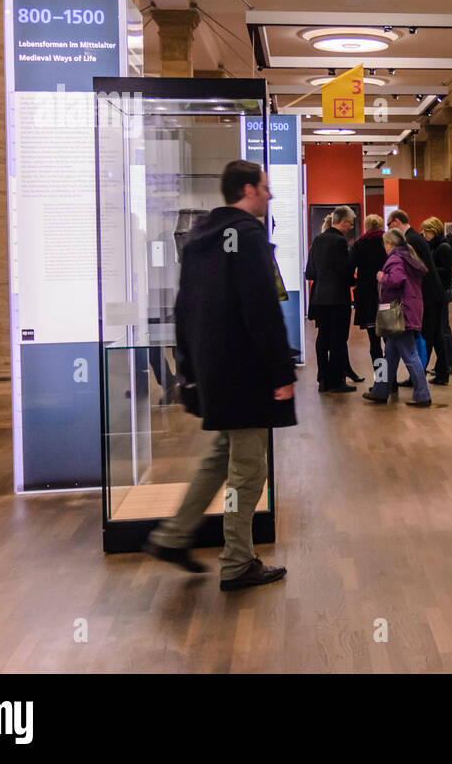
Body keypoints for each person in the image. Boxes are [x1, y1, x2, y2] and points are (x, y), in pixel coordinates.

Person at [145, 159, 293, 591]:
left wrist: (187, 370)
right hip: (246, 373)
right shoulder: (248, 237)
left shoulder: (199, 239)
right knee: (249, 471)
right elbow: (261, 311)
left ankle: (173, 537)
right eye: (265, 188)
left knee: (218, 458)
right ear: (248, 190)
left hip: (214, 371)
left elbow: (182, 309)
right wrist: (281, 370)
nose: (270, 195)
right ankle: (237, 562)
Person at [364, 228, 432, 408]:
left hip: (400, 314)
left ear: (390, 243)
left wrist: (382, 277)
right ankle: (380, 391)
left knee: (410, 354)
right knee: (390, 356)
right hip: (410, 309)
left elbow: (396, 279)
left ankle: (423, 394)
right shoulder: (409, 256)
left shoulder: (395, 258)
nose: (384, 247)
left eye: (385, 243)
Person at [306, 205, 358, 393]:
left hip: (319, 297)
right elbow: (344, 271)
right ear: (343, 222)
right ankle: (336, 381)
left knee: (323, 338)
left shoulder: (318, 240)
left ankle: (323, 379)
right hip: (338, 299)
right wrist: (354, 281)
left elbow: (310, 272)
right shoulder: (340, 242)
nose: (350, 228)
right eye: (350, 224)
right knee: (338, 340)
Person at [386, 209, 445, 377]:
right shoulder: (414, 238)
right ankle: (440, 373)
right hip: (431, 295)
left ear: (396, 222)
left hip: (428, 296)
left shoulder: (411, 239)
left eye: (389, 224)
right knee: (435, 335)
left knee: (426, 338)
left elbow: (416, 271)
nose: (389, 228)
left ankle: (419, 379)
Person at [348, 213, 388, 372]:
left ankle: (381, 381)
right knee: (390, 341)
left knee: (375, 343)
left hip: (367, 297)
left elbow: (349, 267)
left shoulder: (360, 244)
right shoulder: (388, 242)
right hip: (387, 294)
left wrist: (356, 283)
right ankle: (391, 382)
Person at [421, 217, 452, 384]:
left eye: (426, 231)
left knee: (443, 329)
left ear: (433, 230)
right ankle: (444, 366)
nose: (424, 234)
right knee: (439, 330)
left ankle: (447, 364)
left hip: (442, 291)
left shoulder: (444, 246)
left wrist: (429, 269)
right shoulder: (433, 245)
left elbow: (447, 270)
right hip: (436, 291)